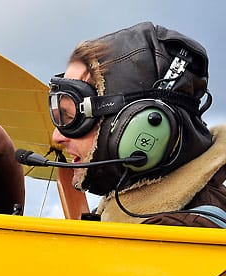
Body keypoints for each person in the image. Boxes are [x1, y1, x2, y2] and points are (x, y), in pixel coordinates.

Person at [49, 22, 226, 227]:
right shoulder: (127, 215)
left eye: (71, 116)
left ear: (144, 125)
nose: (57, 136)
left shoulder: (182, 235)